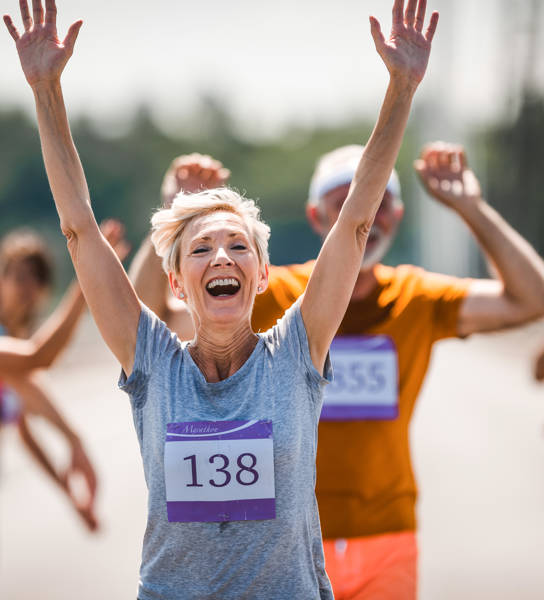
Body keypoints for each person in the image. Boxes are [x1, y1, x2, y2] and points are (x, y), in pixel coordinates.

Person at [4, 0, 439, 597]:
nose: (223, 258)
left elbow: (358, 222)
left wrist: (402, 89)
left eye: (239, 246)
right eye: (202, 249)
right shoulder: (152, 359)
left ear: (260, 277)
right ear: (179, 283)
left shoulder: (296, 352)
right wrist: (46, 89)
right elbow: (78, 228)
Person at [131, 129, 544, 600]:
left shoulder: (418, 298)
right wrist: (170, 220)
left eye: (379, 203)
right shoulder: (276, 296)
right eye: (341, 202)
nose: (368, 216)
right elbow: (151, 322)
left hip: (385, 535)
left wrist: (473, 209)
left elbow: (531, 299)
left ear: (397, 213)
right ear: (317, 215)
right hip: (287, 544)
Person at [0, 222, 129, 531]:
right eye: (17, 276)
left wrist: (70, 495)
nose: (25, 287)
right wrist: (86, 279)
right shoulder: (13, 351)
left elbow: (24, 427)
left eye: (35, 278)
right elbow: (38, 357)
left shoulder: (12, 353)